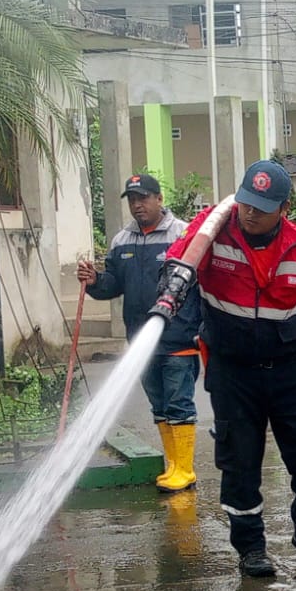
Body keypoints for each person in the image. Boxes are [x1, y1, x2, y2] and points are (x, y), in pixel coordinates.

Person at [164, 159, 296, 580]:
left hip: (291, 368)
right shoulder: (213, 232)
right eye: (246, 203)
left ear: (283, 208)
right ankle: (251, 548)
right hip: (234, 371)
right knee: (239, 461)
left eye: (262, 208)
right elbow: (179, 259)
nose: (250, 213)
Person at [77, 172, 201, 492]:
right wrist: (95, 281)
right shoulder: (122, 241)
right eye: (132, 199)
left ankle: (185, 469)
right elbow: (113, 285)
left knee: (179, 403)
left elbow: (199, 283)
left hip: (177, 338)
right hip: (140, 341)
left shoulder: (184, 235)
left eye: (143, 198)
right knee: (159, 404)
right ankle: (173, 464)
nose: (137, 205)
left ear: (159, 199)